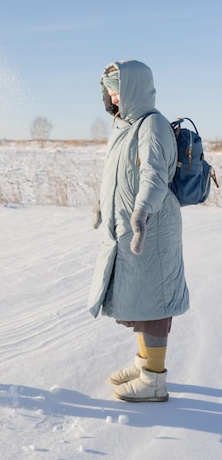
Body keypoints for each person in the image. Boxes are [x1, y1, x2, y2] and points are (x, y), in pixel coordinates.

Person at [88, 60, 189, 402]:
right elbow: (115, 175)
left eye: (118, 90)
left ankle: (155, 381)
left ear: (134, 88)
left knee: (155, 302)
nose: (114, 98)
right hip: (128, 228)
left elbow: (155, 175)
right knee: (139, 299)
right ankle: (144, 363)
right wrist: (103, 205)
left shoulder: (153, 124)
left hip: (152, 227)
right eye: (110, 91)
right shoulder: (124, 126)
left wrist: (142, 212)